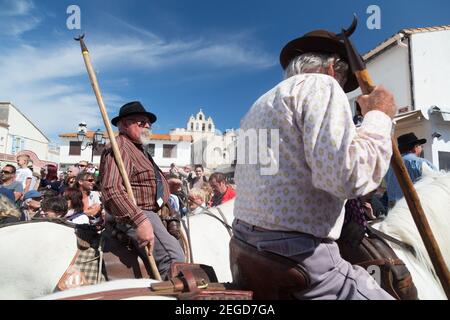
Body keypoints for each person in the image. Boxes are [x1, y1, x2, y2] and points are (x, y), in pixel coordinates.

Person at [231, 29, 397, 300]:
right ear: (333, 68)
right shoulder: (323, 85)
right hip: (299, 257)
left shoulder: (259, 104)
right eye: (343, 81)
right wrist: (379, 115)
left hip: (246, 245)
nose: (342, 88)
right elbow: (349, 178)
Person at [100, 101, 185, 279]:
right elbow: (111, 189)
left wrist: (167, 186)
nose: (147, 126)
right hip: (138, 213)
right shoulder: (121, 147)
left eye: (149, 123)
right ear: (123, 124)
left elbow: (140, 183)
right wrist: (140, 221)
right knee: (174, 259)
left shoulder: (139, 149)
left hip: (156, 212)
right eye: (141, 123)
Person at [385, 132, 438, 208]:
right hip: (415, 206)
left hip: (393, 208)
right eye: (420, 146)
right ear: (415, 147)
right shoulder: (421, 162)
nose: (421, 148)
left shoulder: (390, 166)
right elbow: (437, 183)